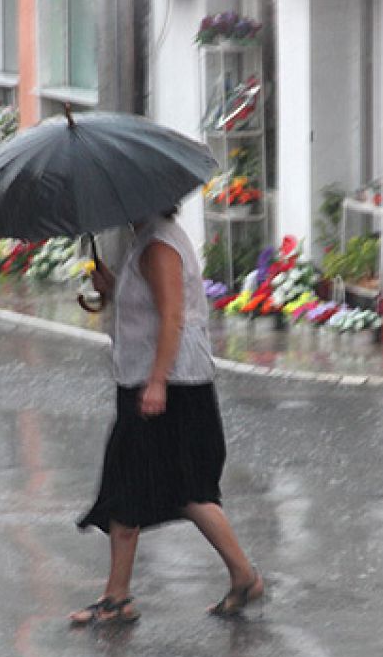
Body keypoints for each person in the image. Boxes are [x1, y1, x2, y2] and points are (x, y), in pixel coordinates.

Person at [69, 210, 264, 626]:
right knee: (145, 486)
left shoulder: (158, 245)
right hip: (156, 381)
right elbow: (153, 307)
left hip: (168, 387)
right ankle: (120, 595)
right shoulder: (148, 240)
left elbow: (173, 316)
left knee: (176, 488)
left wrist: (157, 382)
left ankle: (239, 576)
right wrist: (113, 288)